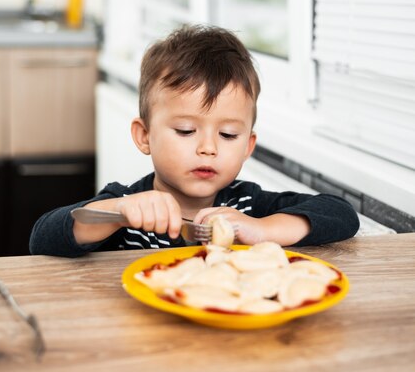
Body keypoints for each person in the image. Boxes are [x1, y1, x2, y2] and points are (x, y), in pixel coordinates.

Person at [30, 24, 359, 257]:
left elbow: (341, 213)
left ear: (247, 146)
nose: (209, 148)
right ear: (145, 136)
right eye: (186, 130)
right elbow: (42, 239)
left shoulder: (246, 206)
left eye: (228, 135)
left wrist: (265, 229)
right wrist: (118, 211)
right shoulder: (128, 205)